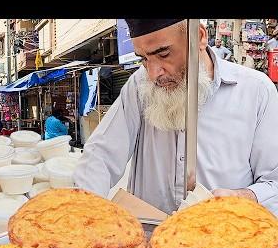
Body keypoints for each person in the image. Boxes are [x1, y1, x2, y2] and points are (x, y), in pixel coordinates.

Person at [73, 19, 278, 217]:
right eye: (143, 58)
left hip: (222, 242)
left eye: (163, 54)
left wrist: (245, 197)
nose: (153, 73)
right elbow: (100, 156)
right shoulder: (139, 85)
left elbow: (274, 181)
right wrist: (82, 214)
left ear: (198, 36)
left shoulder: (256, 91)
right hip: (150, 245)